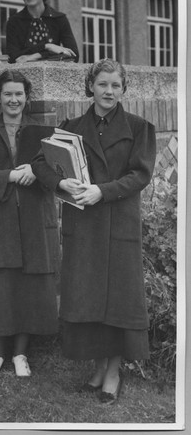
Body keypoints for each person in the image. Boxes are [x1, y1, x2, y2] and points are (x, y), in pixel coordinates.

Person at [32, 59, 156, 404]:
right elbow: (40, 163)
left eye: (116, 85)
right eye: (102, 84)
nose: (109, 92)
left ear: (124, 89)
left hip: (118, 223)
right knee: (89, 298)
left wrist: (103, 190)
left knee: (116, 299)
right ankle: (99, 368)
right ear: (90, 87)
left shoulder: (139, 127)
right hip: (83, 226)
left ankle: (113, 372)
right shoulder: (71, 126)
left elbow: (140, 175)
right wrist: (61, 181)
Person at [0, 69, 60, 379]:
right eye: (7, 93)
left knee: (28, 285)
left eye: (19, 93)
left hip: (34, 217)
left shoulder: (44, 134)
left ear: (27, 97)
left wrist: (38, 172)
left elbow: (57, 169)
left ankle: (21, 353)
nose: (13, 99)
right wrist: (8, 175)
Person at [6, 0, 79, 64]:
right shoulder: (14, 22)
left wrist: (33, 56)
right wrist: (47, 46)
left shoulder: (59, 19)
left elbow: (73, 55)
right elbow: (13, 58)